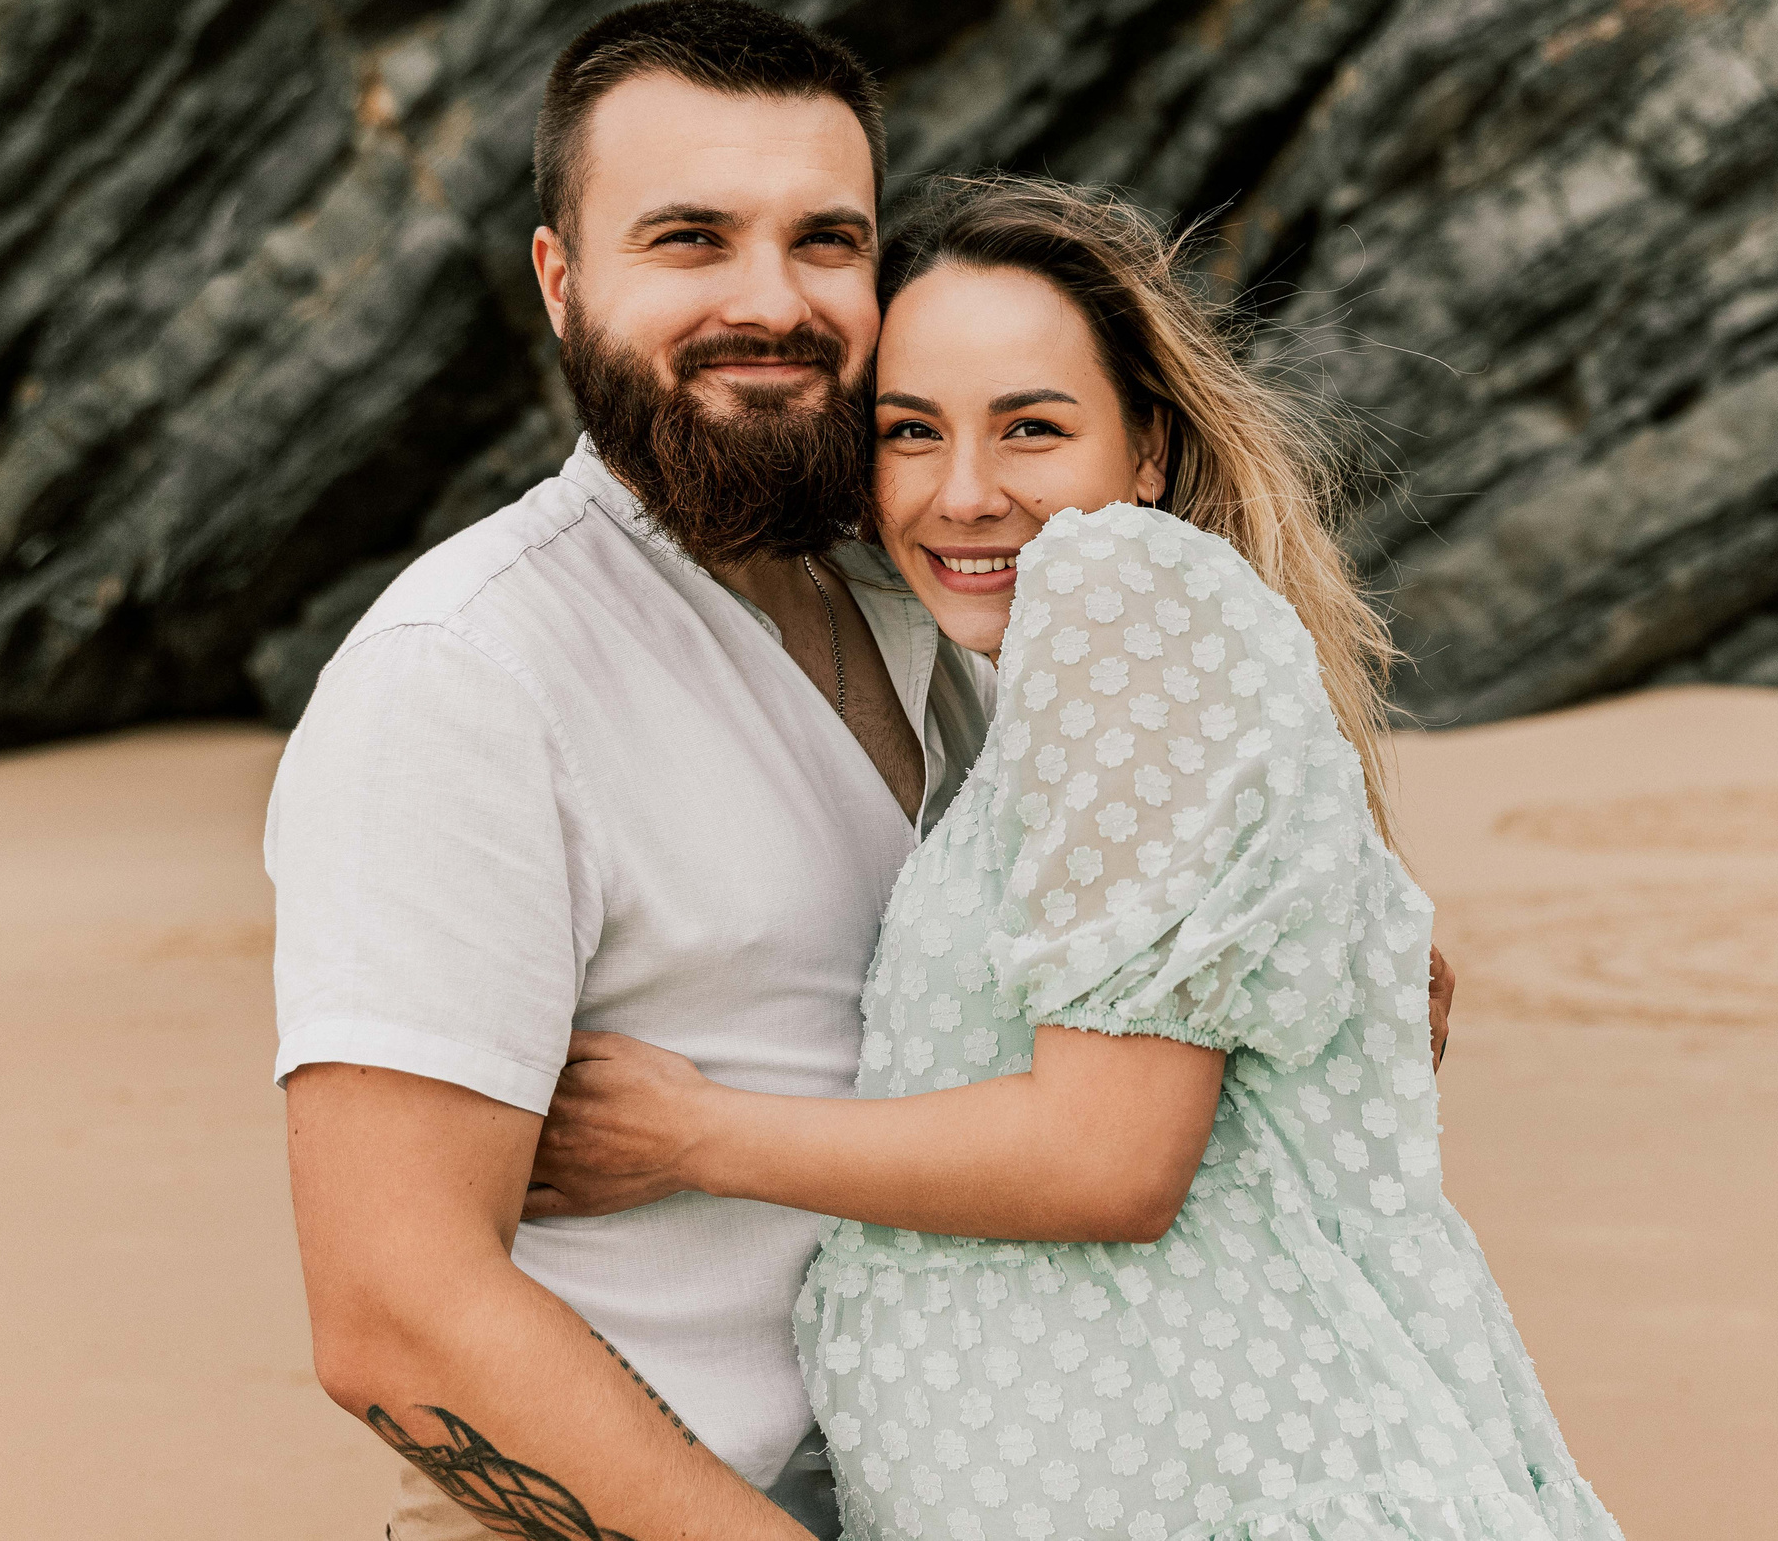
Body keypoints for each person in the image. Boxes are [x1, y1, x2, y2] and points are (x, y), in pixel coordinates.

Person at [272, 0, 1461, 1539]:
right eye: (691, 239)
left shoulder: (945, 589)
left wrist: (1315, 942)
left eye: (824, 240)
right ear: (561, 282)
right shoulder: (470, 675)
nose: (771, 299)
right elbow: (395, 1317)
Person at [528, 179, 1619, 1540]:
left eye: (1032, 428)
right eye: (909, 431)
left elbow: (1109, 1159)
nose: (965, 493)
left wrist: (697, 1136)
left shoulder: (1118, 600)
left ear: (1146, 448)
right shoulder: (1022, 672)